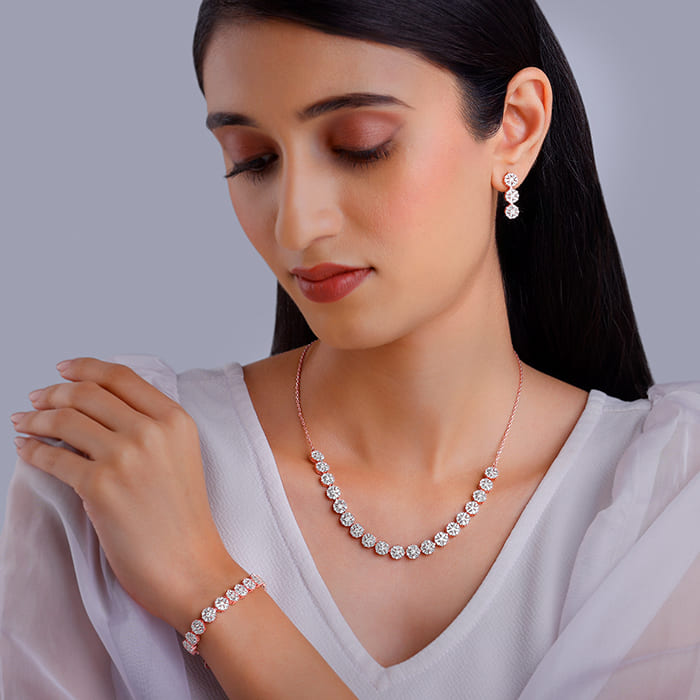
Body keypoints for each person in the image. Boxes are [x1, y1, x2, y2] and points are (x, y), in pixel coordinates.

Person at [1, 0, 699, 698]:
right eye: (253, 161)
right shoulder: (115, 479)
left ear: (515, 127)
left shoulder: (669, 511)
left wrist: (205, 586)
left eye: (360, 145)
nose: (297, 225)